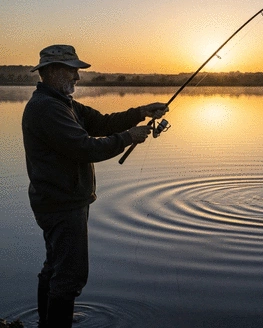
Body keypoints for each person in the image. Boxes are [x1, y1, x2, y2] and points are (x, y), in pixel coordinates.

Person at [22, 44, 168, 328]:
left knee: (55, 268)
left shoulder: (64, 104)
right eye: (72, 71)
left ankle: (46, 322)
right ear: (52, 72)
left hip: (61, 200)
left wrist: (141, 111)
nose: (77, 78)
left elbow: (101, 123)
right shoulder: (47, 108)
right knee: (70, 275)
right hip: (61, 203)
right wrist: (128, 137)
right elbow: (86, 148)